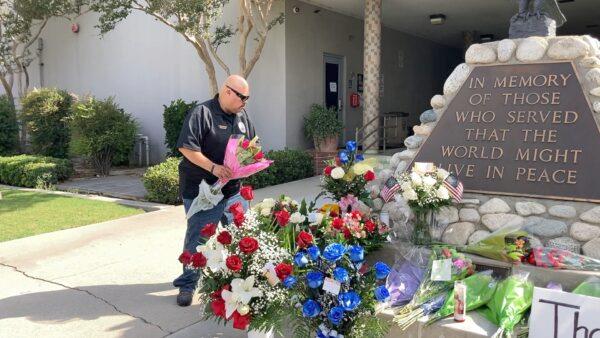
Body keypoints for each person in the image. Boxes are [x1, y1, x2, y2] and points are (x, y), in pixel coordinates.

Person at [173, 75, 255, 306]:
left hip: (233, 191)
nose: (245, 103)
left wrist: (250, 162)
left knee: (244, 236)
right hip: (203, 191)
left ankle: (244, 281)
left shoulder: (242, 116)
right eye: (243, 97)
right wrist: (214, 168)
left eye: (247, 99)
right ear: (228, 91)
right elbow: (186, 148)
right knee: (198, 240)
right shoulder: (202, 113)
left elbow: (250, 146)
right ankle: (188, 284)